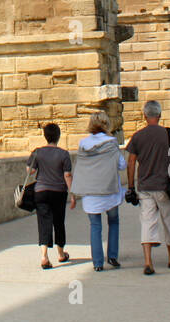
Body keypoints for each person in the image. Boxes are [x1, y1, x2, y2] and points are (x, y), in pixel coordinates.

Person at [125, 100, 170, 275]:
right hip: (165, 185)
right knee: (169, 221)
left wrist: (131, 186)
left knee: (147, 222)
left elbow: (131, 161)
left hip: (145, 186)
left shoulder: (138, 136)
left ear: (145, 116)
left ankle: (148, 261)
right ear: (159, 115)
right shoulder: (169, 134)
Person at [70, 111, 126, 271]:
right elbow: (121, 165)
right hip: (109, 190)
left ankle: (97, 263)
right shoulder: (111, 142)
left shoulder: (83, 144)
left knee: (95, 225)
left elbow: (80, 168)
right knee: (113, 222)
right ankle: (113, 257)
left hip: (90, 192)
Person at [26, 122, 73, 269]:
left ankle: (44, 256)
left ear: (45, 136)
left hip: (41, 191)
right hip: (59, 192)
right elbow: (67, 175)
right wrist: (72, 194)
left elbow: (30, 171)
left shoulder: (37, 152)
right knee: (59, 222)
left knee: (44, 223)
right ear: (58, 136)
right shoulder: (64, 154)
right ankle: (60, 253)